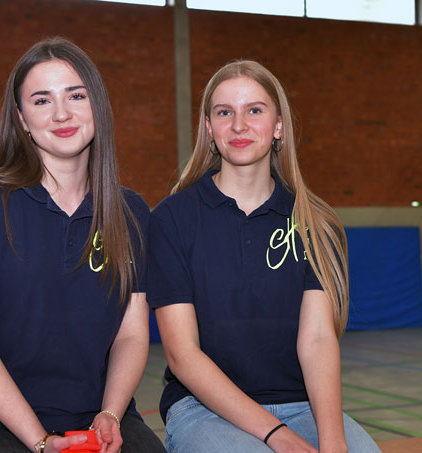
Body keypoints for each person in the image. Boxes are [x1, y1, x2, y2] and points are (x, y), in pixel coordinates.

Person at [0, 37, 165, 453]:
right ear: (22, 118)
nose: (62, 113)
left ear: (97, 106)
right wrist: (40, 441)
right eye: (42, 100)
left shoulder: (131, 212)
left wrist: (111, 413)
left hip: (100, 417)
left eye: (76, 95)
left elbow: (132, 336)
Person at [147, 60, 380, 452]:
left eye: (254, 110)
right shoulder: (172, 219)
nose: (239, 125)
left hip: (302, 406)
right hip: (203, 408)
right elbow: (182, 355)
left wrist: (333, 441)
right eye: (225, 112)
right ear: (209, 128)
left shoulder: (315, 222)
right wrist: (277, 436)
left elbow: (318, 339)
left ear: (278, 127)